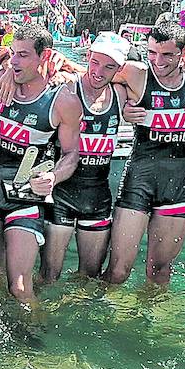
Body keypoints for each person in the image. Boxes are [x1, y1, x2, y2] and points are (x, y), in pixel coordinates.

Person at [0, 24, 82, 303]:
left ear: (44, 55)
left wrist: (54, 178)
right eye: (12, 53)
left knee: (21, 286)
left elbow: (72, 154)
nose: (14, 61)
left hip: (24, 198)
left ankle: (38, 342)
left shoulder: (62, 100)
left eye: (23, 55)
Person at [104, 21, 185, 286]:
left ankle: (151, 321)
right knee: (118, 272)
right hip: (140, 181)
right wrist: (122, 104)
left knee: (159, 272)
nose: (158, 61)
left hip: (178, 186)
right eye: (152, 53)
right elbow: (94, 75)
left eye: (168, 54)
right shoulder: (138, 73)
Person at [43, 32, 130, 281]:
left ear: (119, 69)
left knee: (90, 277)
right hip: (61, 194)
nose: (99, 72)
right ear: (88, 56)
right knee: (49, 276)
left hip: (98, 198)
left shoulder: (122, 94)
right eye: (94, 62)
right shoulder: (66, 87)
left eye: (109, 67)